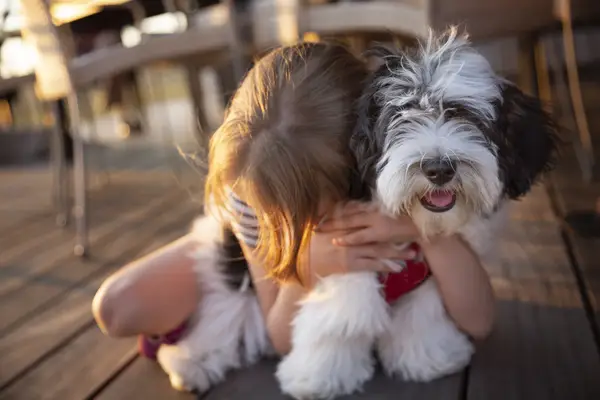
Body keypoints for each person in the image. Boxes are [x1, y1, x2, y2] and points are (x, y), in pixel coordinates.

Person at [93, 41, 495, 364]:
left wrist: (420, 230)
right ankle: (208, 325)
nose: (303, 220)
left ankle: (201, 327)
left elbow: (479, 322)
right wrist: (308, 269)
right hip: (260, 265)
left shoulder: (407, 172)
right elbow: (280, 336)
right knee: (116, 307)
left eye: (312, 211)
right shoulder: (251, 181)